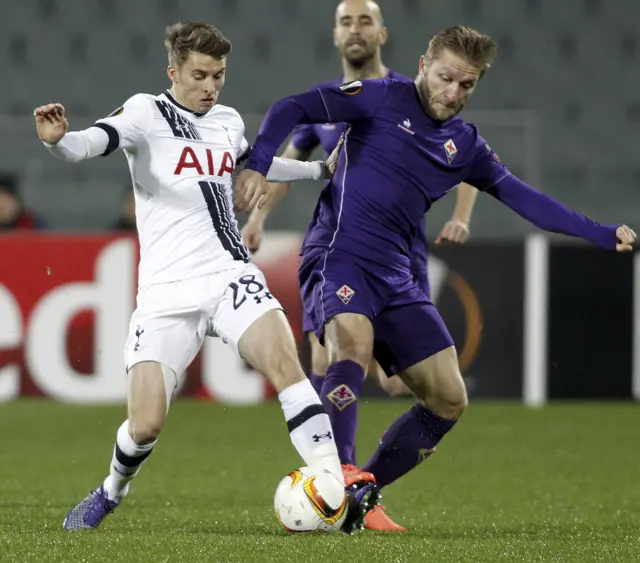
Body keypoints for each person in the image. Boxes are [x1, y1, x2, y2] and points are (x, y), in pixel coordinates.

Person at [235, 25, 636, 530]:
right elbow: (293, 107)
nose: (453, 93)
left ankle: (361, 493)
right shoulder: (380, 97)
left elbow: (526, 200)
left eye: (466, 85)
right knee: (351, 347)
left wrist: (599, 234)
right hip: (340, 254)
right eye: (446, 77)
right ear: (424, 65)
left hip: (396, 273)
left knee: (449, 398)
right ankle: (337, 475)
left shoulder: (465, 144)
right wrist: (257, 160)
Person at [34, 21, 378, 534]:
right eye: (199, 75)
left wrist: (317, 172)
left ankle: (332, 485)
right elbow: (90, 142)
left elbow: (250, 166)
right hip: (165, 292)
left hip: (229, 273)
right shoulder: (144, 113)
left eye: (218, 75)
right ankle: (110, 491)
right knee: (145, 424)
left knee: (286, 365)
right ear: (173, 71)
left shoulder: (228, 121)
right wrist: (59, 142)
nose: (211, 86)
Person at [242, 2, 477, 532]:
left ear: (382, 33)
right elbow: (293, 161)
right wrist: (257, 217)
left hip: (398, 258)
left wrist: (462, 217)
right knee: (330, 358)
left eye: (364, 20)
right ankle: (339, 490)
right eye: (346, 21)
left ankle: (353, 487)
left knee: (398, 383)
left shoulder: (417, 93)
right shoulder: (331, 106)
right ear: (335, 35)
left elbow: (464, 159)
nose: (355, 29)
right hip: (341, 251)